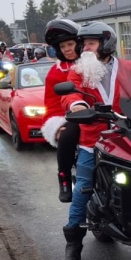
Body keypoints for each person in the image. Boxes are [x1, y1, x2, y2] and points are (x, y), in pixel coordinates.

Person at [58, 21, 131, 260]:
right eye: (83, 43)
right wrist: (76, 105)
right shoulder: (79, 71)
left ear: (106, 43)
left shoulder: (128, 67)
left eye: (90, 43)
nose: (84, 47)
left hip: (128, 134)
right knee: (84, 187)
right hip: (93, 138)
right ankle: (73, 244)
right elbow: (71, 94)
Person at [40, 19, 82, 202]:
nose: (66, 49)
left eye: (70, 44)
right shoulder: (55, 73)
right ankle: (64, 178)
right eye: (62, 46)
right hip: (71, 117)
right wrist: (57, 127)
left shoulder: (95, 64)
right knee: (68, 135)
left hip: (101, 114)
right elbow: (51, 103)